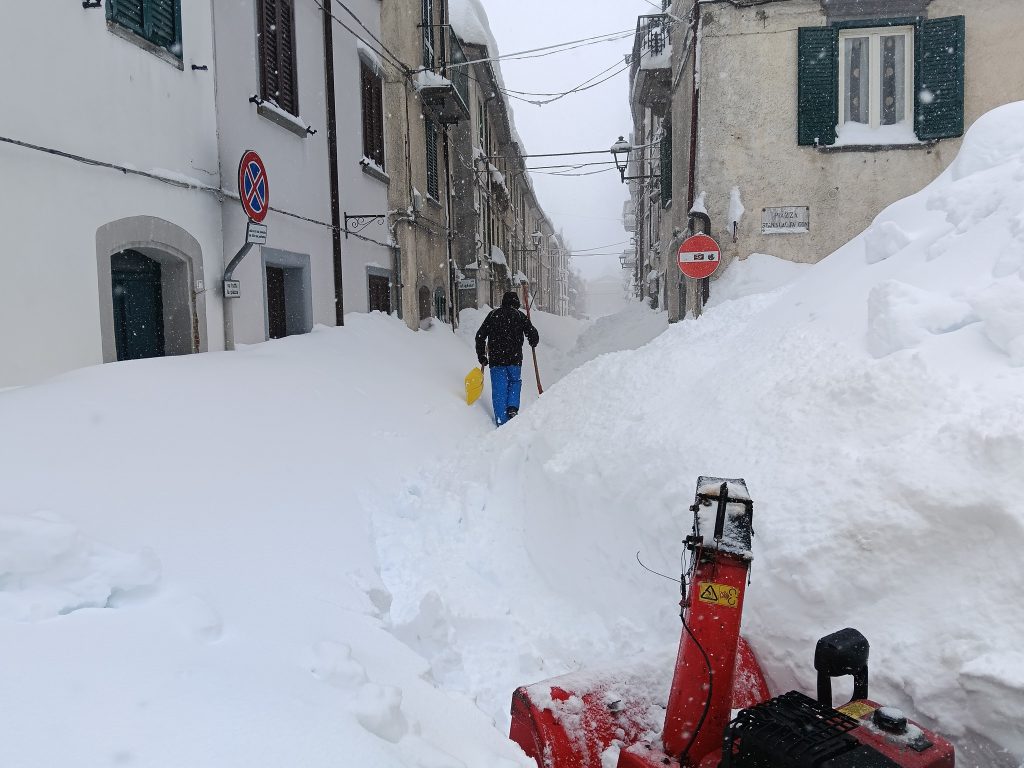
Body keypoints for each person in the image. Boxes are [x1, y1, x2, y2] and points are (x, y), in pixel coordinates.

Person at [475, 290, 540, 426]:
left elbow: (480, 336)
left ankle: (501, 420)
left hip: (497, 360)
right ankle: (512, 407)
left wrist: (482, 355)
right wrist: (533, 339)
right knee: (514, 382)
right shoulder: (520, 316)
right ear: (516, 303)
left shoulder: (493, 315)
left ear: (503, 302)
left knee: (499, 389)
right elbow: (533, 334)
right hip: (514, 360)